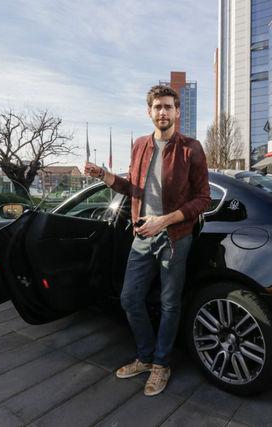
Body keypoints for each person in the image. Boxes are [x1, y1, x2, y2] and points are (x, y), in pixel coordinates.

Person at [84, 85, 210, 396]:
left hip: (175, 237)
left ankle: (161, 363)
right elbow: (133, 189)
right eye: (158, 107)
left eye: (169, 106)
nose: (163, 112)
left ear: (177, 112)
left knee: (169, 304)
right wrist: (103, 175)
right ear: (149, 112)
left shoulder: (191, 148)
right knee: (129, 298)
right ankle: (145, 355)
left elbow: (203, 198)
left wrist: (164, 221)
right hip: (141, 236)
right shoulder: (140, 145)